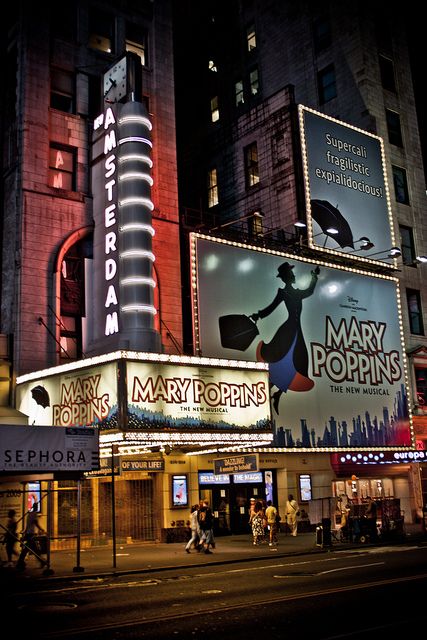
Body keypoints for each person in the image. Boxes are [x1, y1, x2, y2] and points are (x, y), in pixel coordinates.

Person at [251, 262, 320, 414]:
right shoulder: (283, 293)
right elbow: (272, 307)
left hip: (296, 330)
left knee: (295, 363)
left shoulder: (297, 293)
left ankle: (276, 393)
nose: (294, 276)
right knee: (282, 360)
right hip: (288, 330)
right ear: (287, 277)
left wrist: (314, 277)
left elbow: (310, 291)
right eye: (291, 273)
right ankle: (267, 392)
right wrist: (258, 315)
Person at [16, 503, 46, 570]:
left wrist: (25, 532)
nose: (37, 507)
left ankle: (20, 562)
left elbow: (28, 525)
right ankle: (21, 563)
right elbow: (35, 523)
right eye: (37, 506)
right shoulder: (34, 514)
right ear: (36, 507)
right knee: (29, 549)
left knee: (28, 549)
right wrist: (41, 529)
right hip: (32, 534)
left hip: (28, 533)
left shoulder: (29, 514)